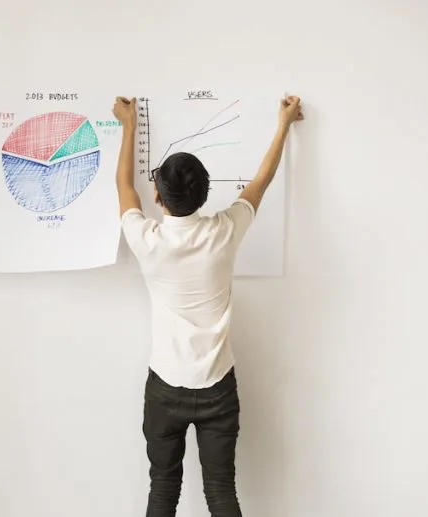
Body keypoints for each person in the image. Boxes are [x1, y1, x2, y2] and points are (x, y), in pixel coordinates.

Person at [112, 94, 304, 517]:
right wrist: (284, 124)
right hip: (217, 386)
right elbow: (261, 181)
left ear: (159, 198)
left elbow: (124, 188)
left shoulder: (148, 239)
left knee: (162, 491)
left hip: (165, 388)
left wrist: (128, 127)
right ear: (204, 194)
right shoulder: (224, 230)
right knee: (222, 493)